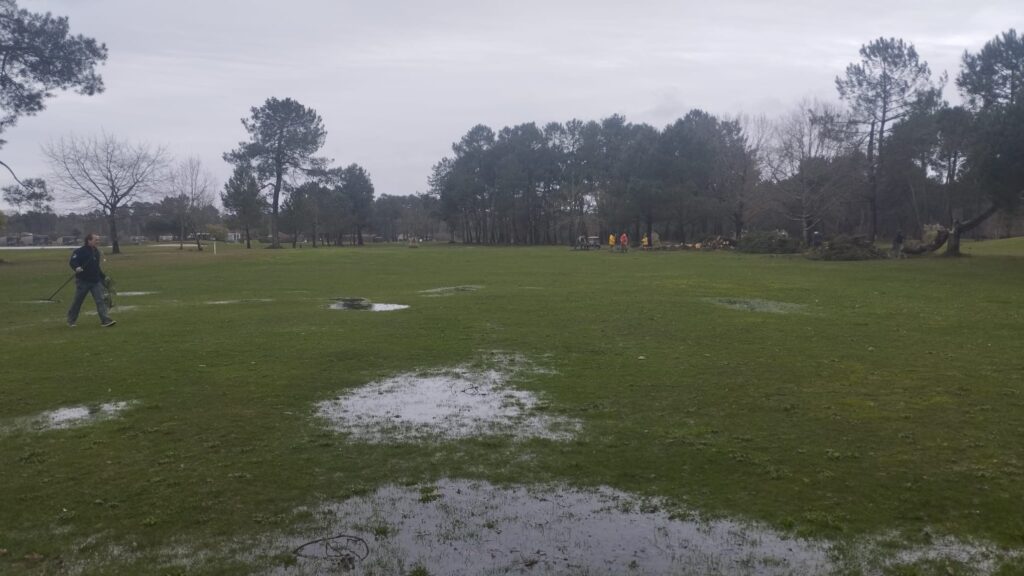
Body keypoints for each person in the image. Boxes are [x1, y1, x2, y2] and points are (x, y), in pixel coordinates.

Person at [67, 233, 116, 327]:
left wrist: (103, 277)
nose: (98, 241)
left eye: (98, 240)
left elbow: (96, 267)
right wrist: (76, 267)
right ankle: (71, 320)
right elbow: (73, 261)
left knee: (100, 300)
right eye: (96, 240)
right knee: (78, 301)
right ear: (89, 240)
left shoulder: (96, 252)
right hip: (83, 281)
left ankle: (105, 320)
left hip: (95, 281)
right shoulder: (79, 251)